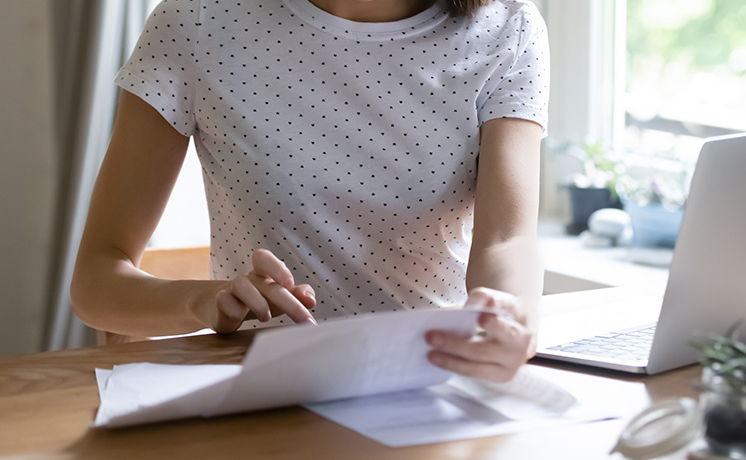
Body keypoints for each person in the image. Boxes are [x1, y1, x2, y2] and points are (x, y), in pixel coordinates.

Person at [71, 0, 549, 383]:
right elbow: (97, 280)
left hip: (430, 382)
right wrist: (205, 301)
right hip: (262, 394)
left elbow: (508, 240)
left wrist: (511, 316)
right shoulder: (196, 22)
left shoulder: (509, 29)